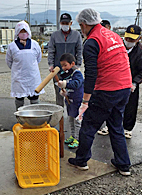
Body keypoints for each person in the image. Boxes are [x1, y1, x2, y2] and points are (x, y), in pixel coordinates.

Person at [68, 8, 132, 176]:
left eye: (81, 26)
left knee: (88, 126)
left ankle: (81, 160)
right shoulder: (113, 35)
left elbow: (91, 73)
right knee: (116, 126)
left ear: (83, 24)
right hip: (124, 87)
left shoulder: (92, 41)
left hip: (107, 90)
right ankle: (123, 164)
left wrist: (85, 100)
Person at [6, 20, 44, 110]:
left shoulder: (35, 44)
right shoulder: (12, 46)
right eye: (21, 31)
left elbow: (39, 58)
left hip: (33, 78)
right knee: (19, 100)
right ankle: (20, 118)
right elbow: (9, 61)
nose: (23, 33)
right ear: (17, 32)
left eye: (25, 31)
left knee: (34, 99)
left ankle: (35, 118)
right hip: (19, 78)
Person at [48, 13, 83, 108]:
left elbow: (79, 51)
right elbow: (51, 51)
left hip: (71, 70)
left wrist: (78, 65)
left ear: (71, 23)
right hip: (58, 70)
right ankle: (60, 116)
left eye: (67, 23)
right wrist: (51, 65)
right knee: (59, 94)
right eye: (63, 23)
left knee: (72, 93)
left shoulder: (76, 35)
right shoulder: (54, 35)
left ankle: (72, 115)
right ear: (60, 23)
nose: (65, 25)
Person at [57, 53, 84, 148]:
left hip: (77, 101)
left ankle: (78, 139)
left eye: (65, 65)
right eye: (62, 66)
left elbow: (76, 84)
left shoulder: (77, 73)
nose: (63, 67)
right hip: (69, 101)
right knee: (70, 119)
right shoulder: (64, 74)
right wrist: (62, 91)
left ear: (72, 63)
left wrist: (65, 84)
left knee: (77, 121)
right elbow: (64, 86)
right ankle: (73, 136)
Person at [123, 25, 142, 139]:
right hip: (117, 81)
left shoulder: (140, 52)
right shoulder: (118, 47)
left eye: (132, 39)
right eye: (127, 38)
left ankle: (127, 128)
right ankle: (111, 126)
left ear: (138, 38)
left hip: (132, 82)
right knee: (113, 105)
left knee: (130, 106)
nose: (129, 41)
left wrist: (135, 82)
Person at [97, 19, 111, 136]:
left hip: (112, 82)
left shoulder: (113, 40)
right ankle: (104, 126)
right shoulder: (97, 42)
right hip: (101, 80)